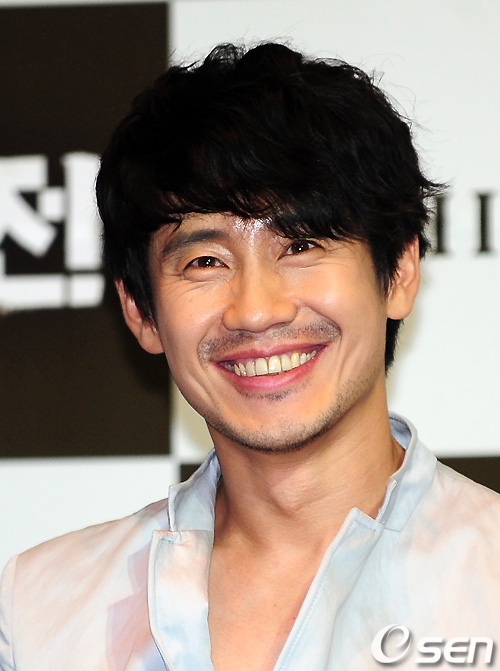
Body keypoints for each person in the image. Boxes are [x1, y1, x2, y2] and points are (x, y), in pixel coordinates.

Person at [1, 42, 499, 671]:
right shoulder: (40, 615)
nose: (257, 311)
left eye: (302, 243)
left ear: (399, 270)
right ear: (140, 312)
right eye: (206, 261)